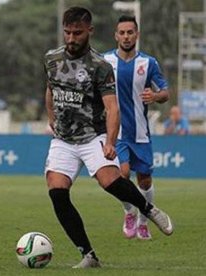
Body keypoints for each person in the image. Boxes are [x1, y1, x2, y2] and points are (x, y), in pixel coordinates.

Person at [44, 7, 173, 268]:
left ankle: (148, 210)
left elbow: (112, 107)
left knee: (110, 181)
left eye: (77, 33)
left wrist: (111, 141)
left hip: (93, 135)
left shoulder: (100, 65)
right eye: (67, 32)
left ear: (89, 31)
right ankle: (88, 255)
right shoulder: (51, 58)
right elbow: (50, 89)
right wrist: (51, 117)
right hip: (64, 140)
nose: (71, 38)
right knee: (57, 192)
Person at [103, 15, 169, 240]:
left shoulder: (148, 63)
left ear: (137, 34)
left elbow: (165, 92)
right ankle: (129, 211)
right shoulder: (105, 61)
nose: (126, 36)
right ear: (116, 35)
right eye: (122, 32)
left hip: (141, 133)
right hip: (116, 132)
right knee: (121, 174)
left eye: (130, 32)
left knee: (145, 180)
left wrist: (156, 95)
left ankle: (143, 220)